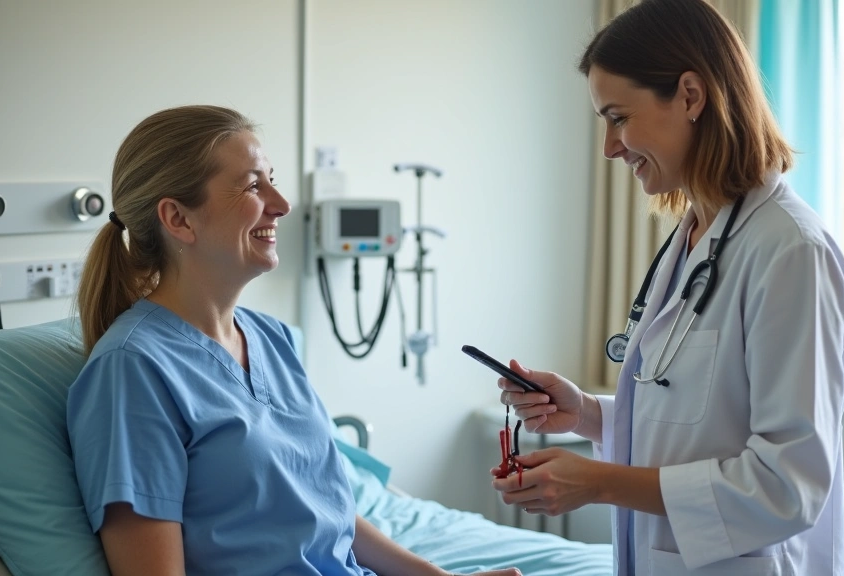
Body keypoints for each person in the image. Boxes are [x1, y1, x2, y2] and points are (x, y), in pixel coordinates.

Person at [67, 105, 520, 576]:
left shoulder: (272, 338)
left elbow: (324, 506)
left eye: (272, 180)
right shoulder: (131, 370)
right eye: (252, 186)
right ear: (179, 219)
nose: (281, 204)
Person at [491, 1, 844, 574]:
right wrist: (584, 413)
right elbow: (692, 423)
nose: (609, 147)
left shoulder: (790, 253)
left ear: (690, 96)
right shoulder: (694, 237)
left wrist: (600, 482)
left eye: (618, 117)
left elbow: (787, 486)